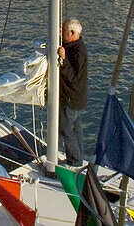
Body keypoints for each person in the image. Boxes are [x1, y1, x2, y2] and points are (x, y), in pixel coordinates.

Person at [58, 18, 88, 167]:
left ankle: (75, 161)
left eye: (63, 31)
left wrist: (63, 60)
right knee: (76, 130)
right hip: (77, 99)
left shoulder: (78, 52)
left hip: (71, 99)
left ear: (72, 32)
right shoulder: (75, 46)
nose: (61, 33)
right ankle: (77, 159)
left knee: (65, 129)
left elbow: (73, 78)